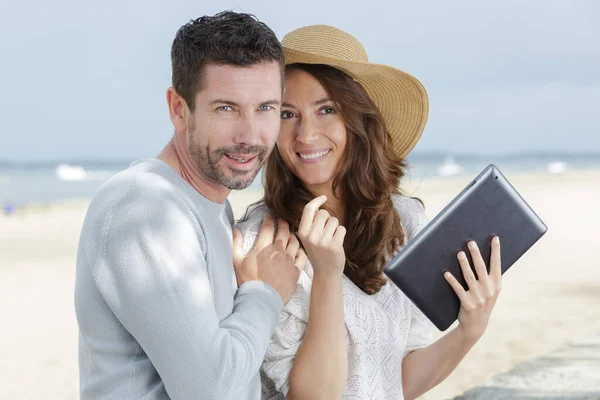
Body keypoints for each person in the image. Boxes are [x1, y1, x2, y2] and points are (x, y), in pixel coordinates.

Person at [235, 25, 503, 400]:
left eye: (326, 109)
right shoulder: (262, 244)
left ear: (358, 119)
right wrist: (327, 274)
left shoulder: (403, 221)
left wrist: (470, 331)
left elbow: (398, 381)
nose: (306, 134)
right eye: (287, 114)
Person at [74, 11, 306, 400]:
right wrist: (265, 292)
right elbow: (211, 390)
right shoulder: (143, 208)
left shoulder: (207, 208)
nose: (249, 135)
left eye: (266, 108)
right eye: (226, 108)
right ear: (178, 109)